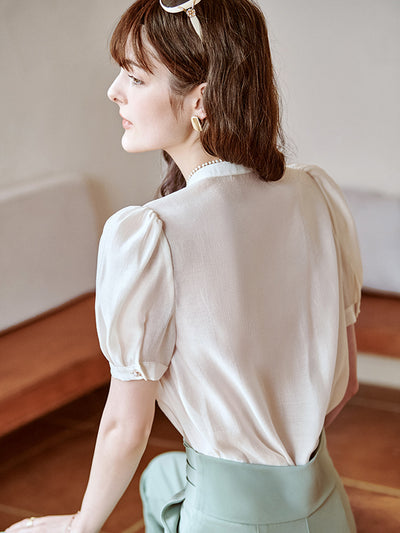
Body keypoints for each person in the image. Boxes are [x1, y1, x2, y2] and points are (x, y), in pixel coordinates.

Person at [5, 0, 362, 531]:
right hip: (326, 504)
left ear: (201, 98)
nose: (114, 91)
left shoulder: (151, 233)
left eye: (135, 77)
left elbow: (126, 427)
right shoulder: (317, 193)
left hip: (227, 520)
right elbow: (347, 383)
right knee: (162, 478)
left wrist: (79, 525)